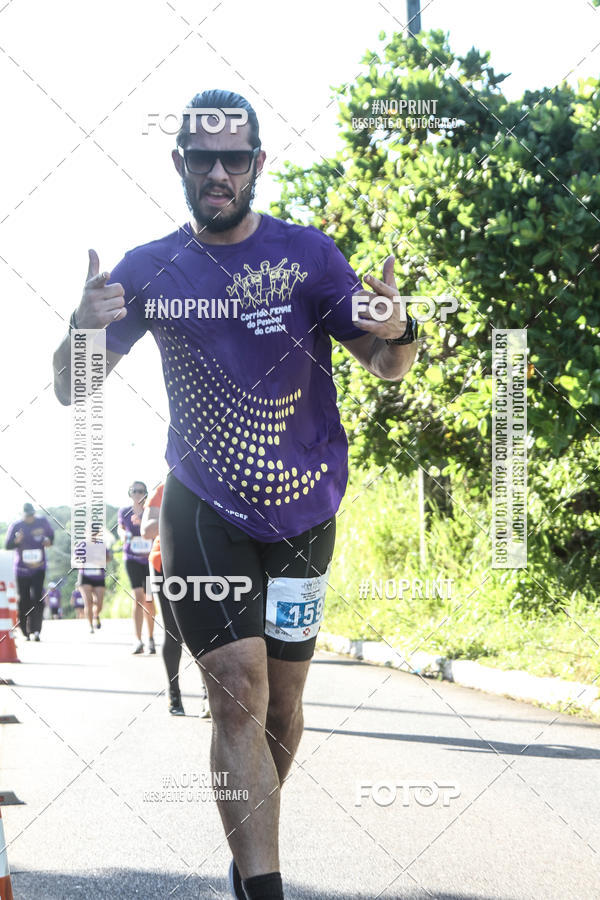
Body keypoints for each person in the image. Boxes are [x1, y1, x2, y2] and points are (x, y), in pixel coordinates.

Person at [53, 89, 417, 900]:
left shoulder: (309, 255)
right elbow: (74, 388)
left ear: (257, 164)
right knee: (237, 693)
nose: (218, 173)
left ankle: (249, 845)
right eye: (202, 158)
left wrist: (402, 331)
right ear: (179, 163)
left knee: (282, 707)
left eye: (234, 159)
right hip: (202, 507)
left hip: (305, 512)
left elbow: (385, 365)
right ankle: (263, 887)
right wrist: (80, 328)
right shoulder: (150, 268)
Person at [141, 481, 211, 718]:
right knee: (174, 632)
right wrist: (179, 516)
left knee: (204, 631)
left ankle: (208, 695)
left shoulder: (209, 481)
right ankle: (174, 693)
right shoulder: (163, 488)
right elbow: (147, 530)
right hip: (165, 562)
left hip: (200, 561)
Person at [5, 502, 54, 641]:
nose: (30, 518)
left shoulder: (42, 522)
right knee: (24, 600)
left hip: (39, 568)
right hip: (22, 570)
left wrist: (49, 541)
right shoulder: (16, 525)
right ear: (23, 515)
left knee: (38, 598)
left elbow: (51, 537)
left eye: (32, 515)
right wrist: (17, 541)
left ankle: (36, 630)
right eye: (27, 516)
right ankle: (25, 630)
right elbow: (7, 545)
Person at [118, 482, 156, 655]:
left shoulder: (151, 510)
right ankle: (138, 640)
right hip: (132, 558)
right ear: (130, 493)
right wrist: (123, 535)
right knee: (138, 597)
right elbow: (120, 528)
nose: (138, 494)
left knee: (149, 598)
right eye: (134, 491)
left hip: (148, 560)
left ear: (146, 493)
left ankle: (151, 638)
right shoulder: (124, 511)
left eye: (141, 491)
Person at [78, 558, 110, 633]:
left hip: (99, 577)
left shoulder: (100, 549)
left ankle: (96, 615)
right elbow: (76, 559)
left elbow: (108, 558)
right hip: (85, 576)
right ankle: (91, 625)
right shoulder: (81, 549)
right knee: (88, 602)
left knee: (99, 604)